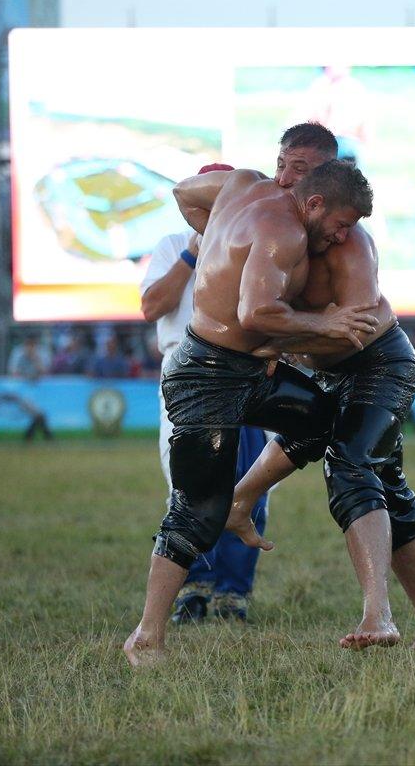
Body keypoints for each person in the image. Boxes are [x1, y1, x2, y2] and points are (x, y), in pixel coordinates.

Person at [175, 124, 415, 652]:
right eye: (282, 165)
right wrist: (217, 238)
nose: (285, 178)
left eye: (300, 171)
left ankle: (378, 615)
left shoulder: (348, 246)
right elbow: (185, 192)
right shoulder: (261, 210)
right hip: (323, 369)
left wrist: (274, 343)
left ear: (323, 185)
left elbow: (351, 332)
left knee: (351, 464)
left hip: (378, 366)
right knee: (387, 488)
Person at [123, 158, 380, 666]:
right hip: (206, 375)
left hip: (253, 370)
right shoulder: (283, 231)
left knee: (325, 419)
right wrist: (326, 324)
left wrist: (219, 236)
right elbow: (255, 312)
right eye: (340, 225)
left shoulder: (240, 185)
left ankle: (243, 499)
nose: (342, 237)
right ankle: (146, 635)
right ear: (314, 203)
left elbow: (184, 191)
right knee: (197, 510)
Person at [140, 173, 271, 624]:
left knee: (249, 481)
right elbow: (152, 306)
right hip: (187, 371)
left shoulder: (253, 244)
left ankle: (233, 593)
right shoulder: (173, 244)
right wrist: (191, 254)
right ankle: (192, 589)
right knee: (188, 482)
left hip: (244, 368)